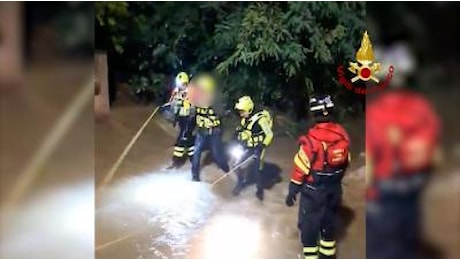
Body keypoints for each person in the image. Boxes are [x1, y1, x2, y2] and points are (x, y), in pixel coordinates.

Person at [366, 90, 440, 258]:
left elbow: (370, 159)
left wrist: (369, 192)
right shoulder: (421, 107)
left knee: (384, 244)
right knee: (408, 237)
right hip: (414, 184)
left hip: (386, 190)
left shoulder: (377, 112)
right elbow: (436, 156)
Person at [285, 94, 350, 259]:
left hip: (312, 193)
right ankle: (328, 256)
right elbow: (346, 161)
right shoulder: (342, 135)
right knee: (328, 225)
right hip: (334, 190)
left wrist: (292, 190)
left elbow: (300, 168)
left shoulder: (310, 140)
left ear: (314, 115)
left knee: (308, 227)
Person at [232, 96, 273, 200]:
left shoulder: (261, 120)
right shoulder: (244, 119)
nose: (241, 114)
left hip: (258, 147)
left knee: (257, 169)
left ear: (249, 109)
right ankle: (240, 183)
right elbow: (245, 132)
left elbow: (269, 134)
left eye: (242, 111)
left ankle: (259, 190)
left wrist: (262, 146)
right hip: (248, 146)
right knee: (236, 165)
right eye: (239, 111)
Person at [190, 74, 229, 182]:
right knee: (196, 151)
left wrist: (216, 106)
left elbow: (222, 113)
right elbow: (191, 113)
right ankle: (194, 175)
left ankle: (225, 168)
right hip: (201, 131)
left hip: (214, 133)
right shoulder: (197, 100)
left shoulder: (216, 101)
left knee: (216, 153)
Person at [166, 72, 196, 169]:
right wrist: (172, 117)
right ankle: (193, 158)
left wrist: (192, 116)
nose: (180, 86)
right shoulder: (176, 91)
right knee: (189, 139)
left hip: (189, 118)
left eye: (182, 84)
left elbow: (195, 106)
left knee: (181, 138)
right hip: (181, 118)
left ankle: (176, 161)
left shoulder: (191, 92)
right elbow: (172, 104)